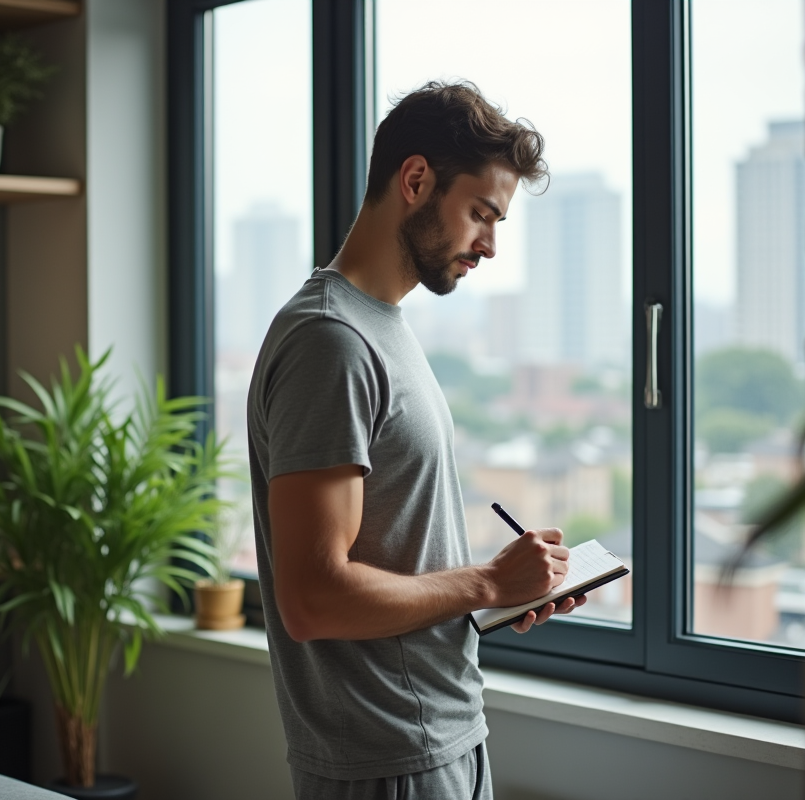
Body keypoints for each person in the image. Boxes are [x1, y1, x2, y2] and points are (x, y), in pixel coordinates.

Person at [247, 81, 579, 800]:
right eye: (481, 214)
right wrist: (487, 582)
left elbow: (393, 552)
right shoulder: (330, 343)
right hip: (390, 758)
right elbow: (311, 597)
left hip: (441, 734)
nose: (489, 245)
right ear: (417, 179)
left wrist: (500, 592)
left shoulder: (382, 326)